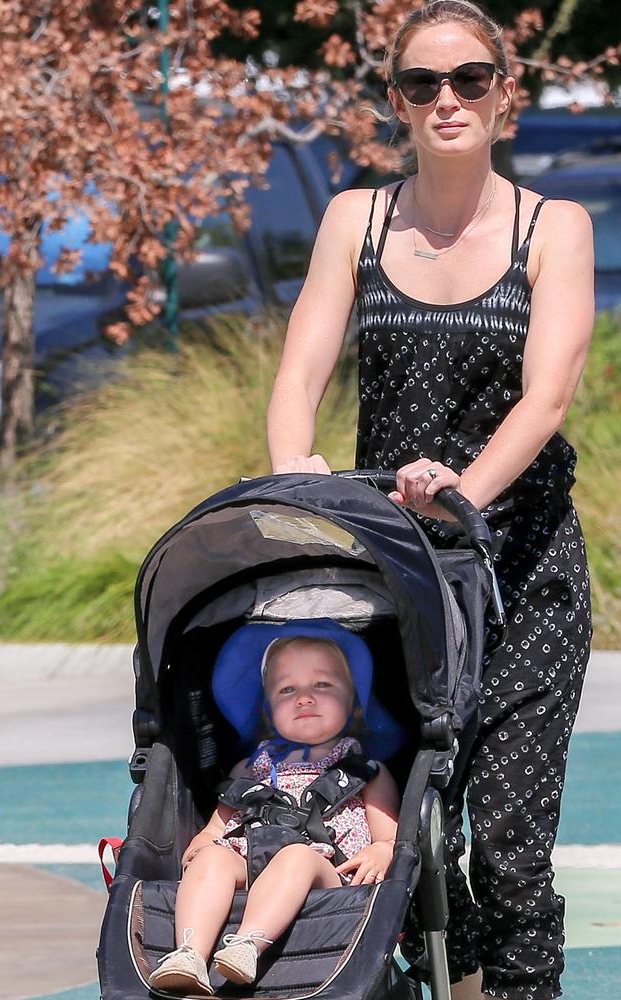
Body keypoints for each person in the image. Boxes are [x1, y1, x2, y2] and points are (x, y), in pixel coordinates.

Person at [266, 3, 593, 999]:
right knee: (394, 850)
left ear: (504, 92)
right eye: (421, 83)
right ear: (396, 102)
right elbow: (298, 374)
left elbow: (546, 395)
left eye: (468, 78)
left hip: (521, 577)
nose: (445, 98)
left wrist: (461, 495)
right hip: (390, 584)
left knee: (504, 851)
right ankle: (444, 981)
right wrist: (294, 480)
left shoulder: (553, 228)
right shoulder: (353, 219)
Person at [149, 621, 401, 996]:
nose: (304, 698)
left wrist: (381, 850)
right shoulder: (251, 769)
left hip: (327, 872)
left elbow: (390, 836)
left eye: (322, 685)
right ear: (268, 711)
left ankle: (248, 943)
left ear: (353, 701)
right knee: (213, 860)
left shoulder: (365, 770)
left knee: (296, 856)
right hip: (251, 864)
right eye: (287, 689)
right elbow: (221, 824)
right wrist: (206, 840)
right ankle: (190, 953)